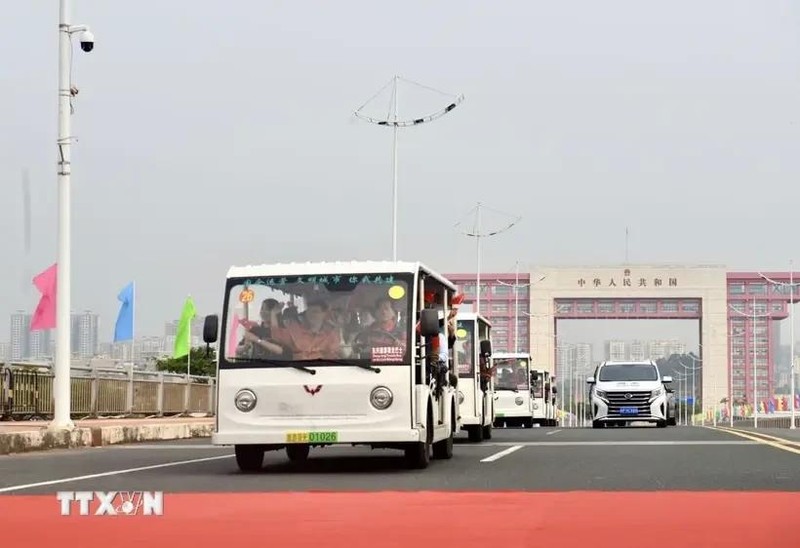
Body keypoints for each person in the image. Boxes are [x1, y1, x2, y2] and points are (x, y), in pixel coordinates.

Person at [271, 299, 343, 360]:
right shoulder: (295, 330)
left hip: (322, 372)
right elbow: (276, 335)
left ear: (324, 314)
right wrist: (273, 314)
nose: (310, 314)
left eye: (315, 311)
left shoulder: (331, 334)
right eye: (308, 311)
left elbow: (334, 356)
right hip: (297, 371)